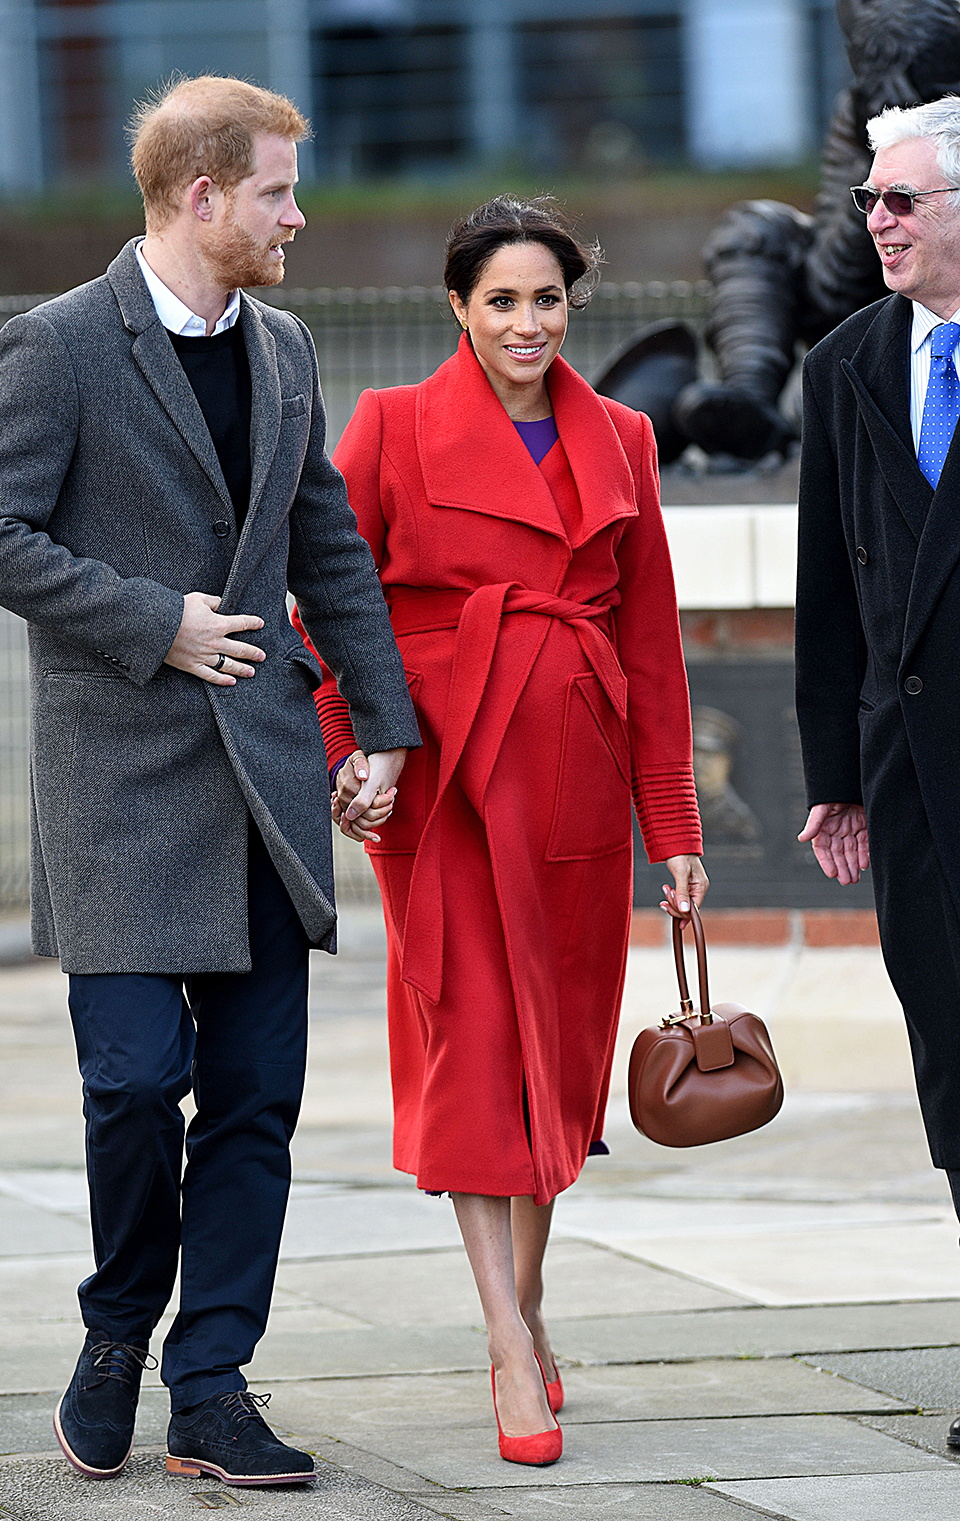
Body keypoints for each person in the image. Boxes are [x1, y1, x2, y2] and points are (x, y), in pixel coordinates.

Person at [0, 76, 419, 1487]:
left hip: (267, 786)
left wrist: (383, 725)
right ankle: (115, 1334)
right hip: (119, 786)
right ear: (202, 194)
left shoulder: (283, 349)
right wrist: (150, 617)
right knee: (130, 1086)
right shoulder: (57, 345)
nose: (299, 212)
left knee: (255, 1100)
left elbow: (327, 545)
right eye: (279, 188)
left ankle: (210, 1382)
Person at [302, 196, 708, 1466]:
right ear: (458, 309)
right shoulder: (390, 426)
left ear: (570, 304)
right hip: (442, 783)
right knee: (473, 1042)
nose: (526, 324)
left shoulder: (626, 439)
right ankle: (501, 1342)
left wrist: (672, 819)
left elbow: (649, 642)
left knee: (558, 1056)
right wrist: (347, 747)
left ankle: (530, 1309)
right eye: (501, 302)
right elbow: (326, 600)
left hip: (577, 779)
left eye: (546, 299)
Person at [796, 95, 960, 1449]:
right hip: (912, 787)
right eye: (868, 203)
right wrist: (832, 771)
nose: (878, 222)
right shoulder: (847, 360)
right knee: (954, 1064)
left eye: (903, 199)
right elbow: (825, 590)